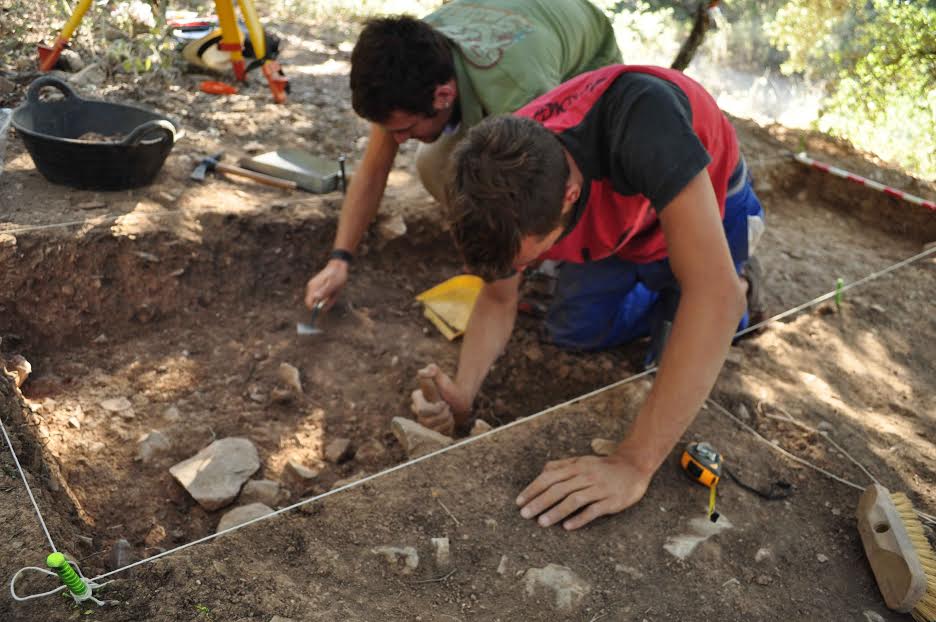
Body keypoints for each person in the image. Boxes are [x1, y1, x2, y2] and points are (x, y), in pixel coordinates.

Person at [411, 64, 766, 530]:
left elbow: (713, 298)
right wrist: (464, 391)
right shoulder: (497, 179)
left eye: (524, 262)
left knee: (688, 337)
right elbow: (498, 299)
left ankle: (737, 284)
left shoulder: (646, 123)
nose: (515, 274)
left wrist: (632, 464)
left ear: (569, 197)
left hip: (708, 202)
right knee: (574, 331)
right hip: (625, 224)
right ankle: (668, 291)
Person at [304, 0, 621, 311]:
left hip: (586, 72)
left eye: (406, 128)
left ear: (443, 95)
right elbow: (373, 173)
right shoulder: (406, 66)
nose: (397, 139)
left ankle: (541, 262)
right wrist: (339, 259)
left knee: (533, 189)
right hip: (525, 30)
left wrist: (502, 282)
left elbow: (552, 184)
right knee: (436, 166)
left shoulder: (520, 91)